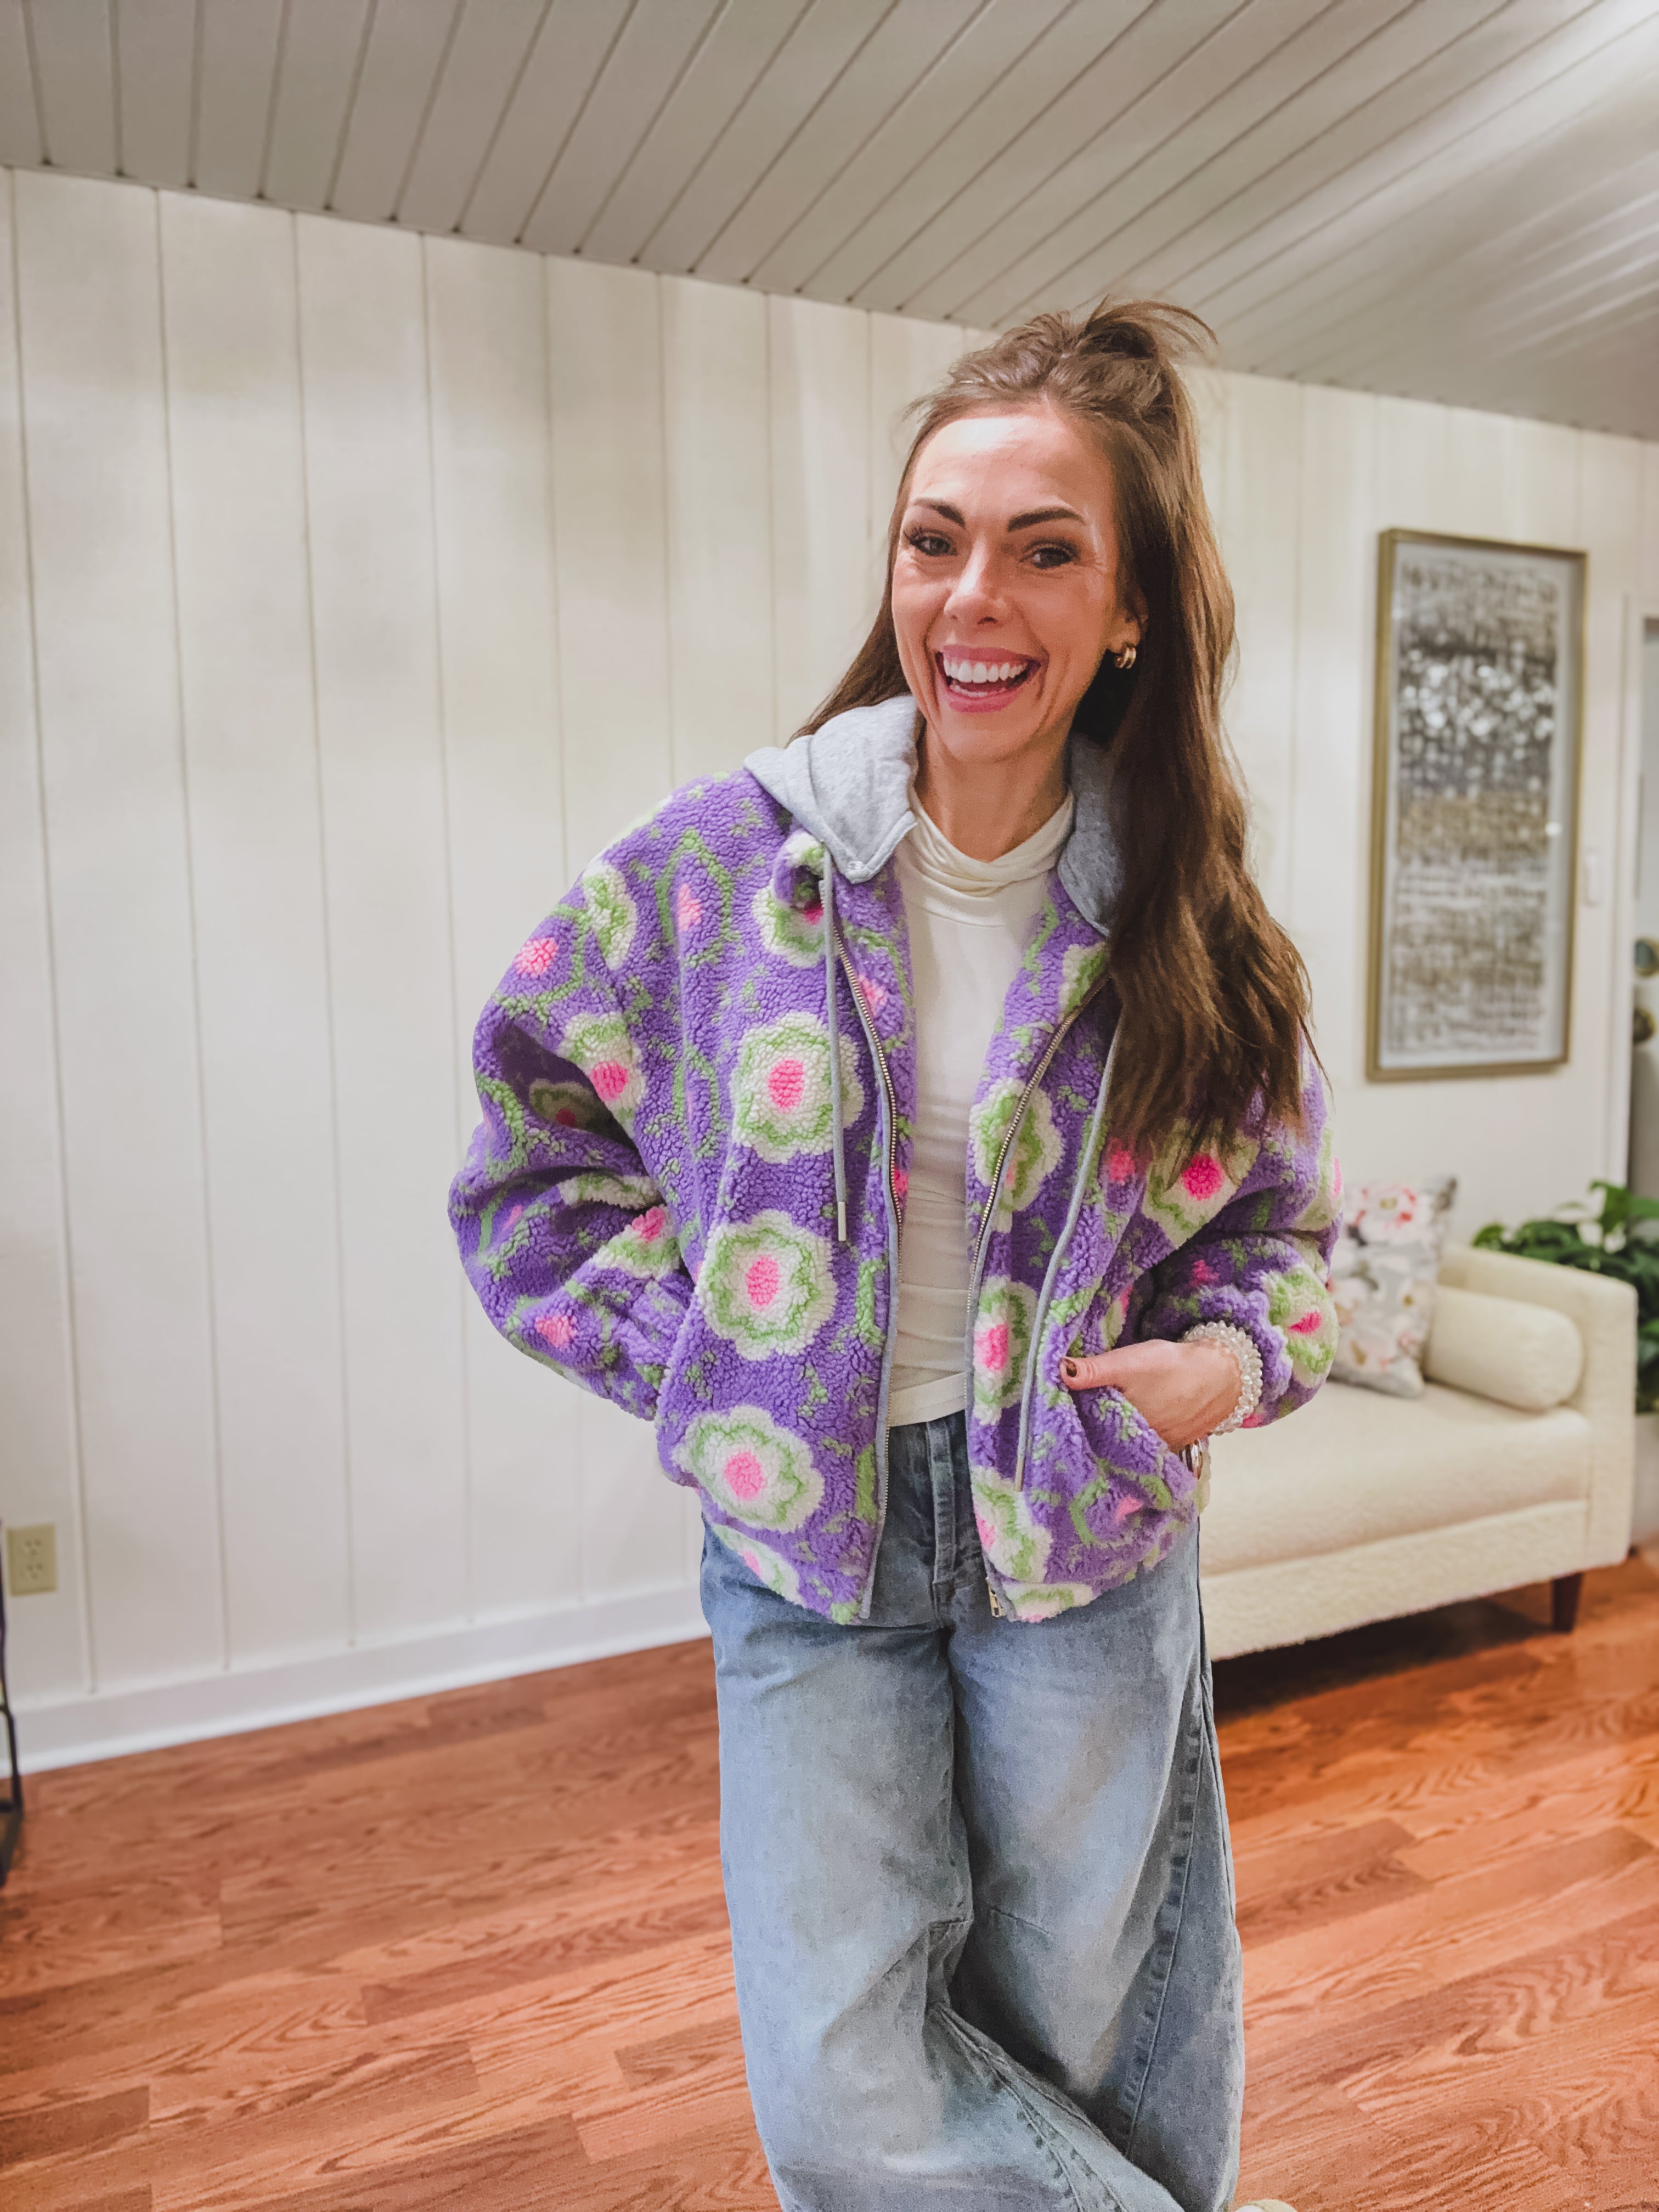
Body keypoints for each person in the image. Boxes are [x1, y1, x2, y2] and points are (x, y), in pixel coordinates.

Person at [449, 298, 1338, 2212]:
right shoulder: (731, 868)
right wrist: (718, 1365)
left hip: (1078, 1517)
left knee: (1082, 2018)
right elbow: (530, 1166)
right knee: (842, 2079)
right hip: (805, 1536)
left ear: (1130, 612)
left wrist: (1222, 1372)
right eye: (937, 540)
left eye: (1044, 549)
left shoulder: (1189, 928)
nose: (973, 597)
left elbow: (1280, 1237)